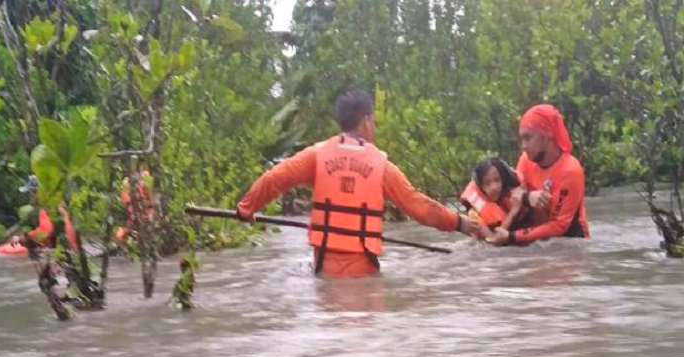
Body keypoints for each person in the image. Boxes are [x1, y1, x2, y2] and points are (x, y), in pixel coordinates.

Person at [236, 90, 481, 278]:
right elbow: (419, 207)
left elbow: (273, 179)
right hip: (364, 273)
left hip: (323, 270)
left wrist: (247, 208)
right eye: (373, 121)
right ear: (366, 121)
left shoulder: (316, 155)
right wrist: (460, 223)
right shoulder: (381, 165)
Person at [487, 104, 590, 246]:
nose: (523, 145)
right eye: (522, 139)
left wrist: (512, 236)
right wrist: (527, 197)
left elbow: (559, 226)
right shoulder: (526, 159)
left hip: (569, 240)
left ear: (546, 135)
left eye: (528, 138)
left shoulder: (570, 171)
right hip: (535, 237)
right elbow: (513, 194)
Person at [459, 156, 523, 234]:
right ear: (481, 187)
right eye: (487, 183)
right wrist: (514, 210)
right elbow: (494, 239)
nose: (494, 187)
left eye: (497, 180)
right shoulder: (474, 213)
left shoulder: (510, 195)